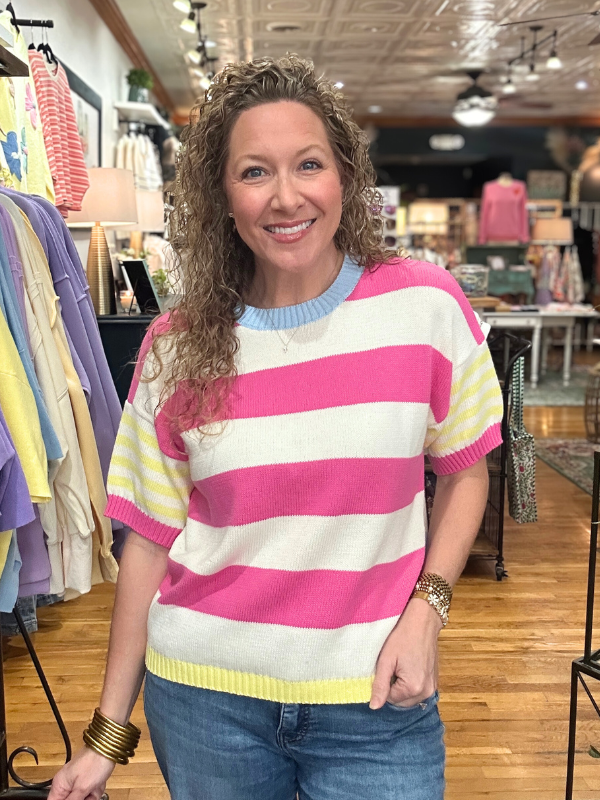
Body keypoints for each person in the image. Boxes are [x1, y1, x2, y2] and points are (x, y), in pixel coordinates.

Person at [49, 54, 503, 800]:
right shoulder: (176, 343)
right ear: (222, 196)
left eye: (309, 164)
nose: (286, 197)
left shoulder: (424, 307)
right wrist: (106, 735)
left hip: (376, 699)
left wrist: (429, 608)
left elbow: (465, 466)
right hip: (205, 703)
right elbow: (150, 543)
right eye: (254, 172)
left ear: (346, 178)